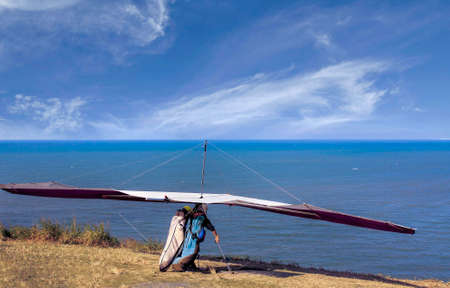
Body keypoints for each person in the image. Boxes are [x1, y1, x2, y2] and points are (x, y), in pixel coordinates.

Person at [171, 203, 219, 271]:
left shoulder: (194, 215)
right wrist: (216, 236)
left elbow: (211, 227)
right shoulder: (197, 216)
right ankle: (182, 265)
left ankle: (187, 265)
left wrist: (216, 236)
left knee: (189, 252)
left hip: (190, 239)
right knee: (192, 253)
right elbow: (211, 228)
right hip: (191, 239)